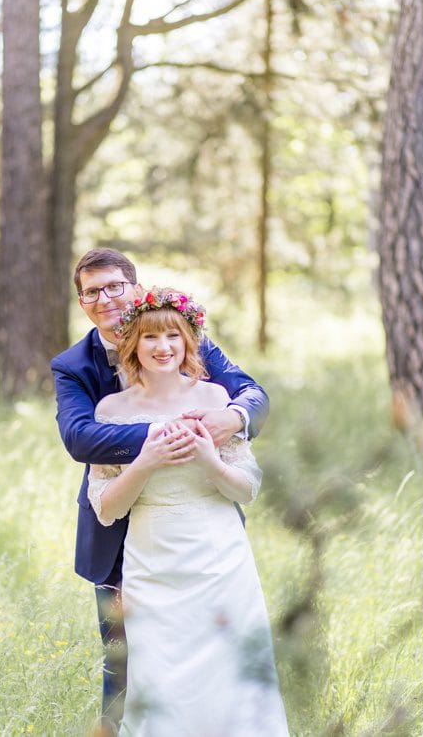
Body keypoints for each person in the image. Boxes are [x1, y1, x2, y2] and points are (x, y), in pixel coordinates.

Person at [51, 248, 270, 733]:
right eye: (92, 292)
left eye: (114, 286)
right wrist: (160, 436)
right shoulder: (73, 366)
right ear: (82, 302)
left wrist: (232, 418)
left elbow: (251, 392)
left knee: (221, 663)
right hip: (121, 537)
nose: (104, 298)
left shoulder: (178, 335)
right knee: (128, 668)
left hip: (204, 531)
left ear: (133, 288)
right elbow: (79, 437)